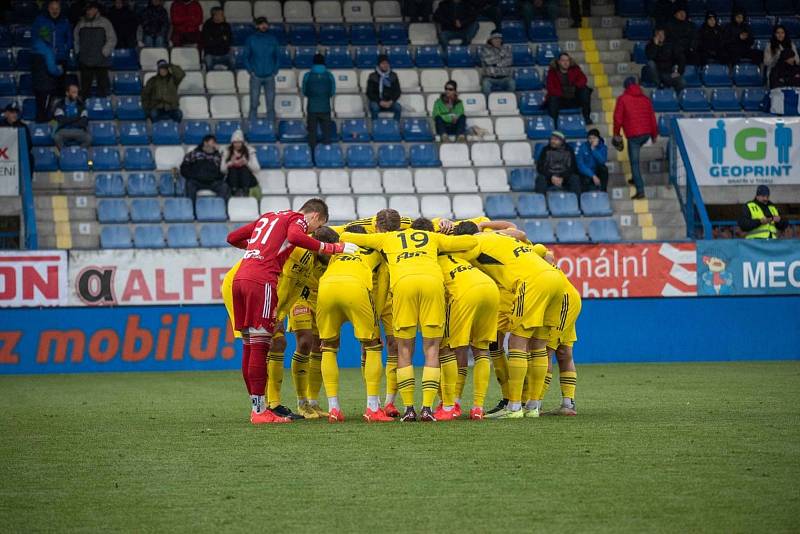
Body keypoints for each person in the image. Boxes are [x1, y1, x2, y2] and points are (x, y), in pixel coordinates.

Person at [225, 198, 357, 424]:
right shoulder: (297, 220)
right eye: (317, 226)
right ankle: (260, 412)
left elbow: (232, 237)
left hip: (240, 278)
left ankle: (259, 408)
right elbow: (297, 237)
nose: (313, 233)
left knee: (250, 346)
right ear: (315, 216)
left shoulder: (268, 217)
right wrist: (333, 247)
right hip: (262, 280)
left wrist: (258, 249)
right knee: (260, 346)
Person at [339, 216, 479, 422]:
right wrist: (448, 231)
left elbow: (345, 235)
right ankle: (427, 409)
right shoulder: (432, 237)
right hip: (432, 284)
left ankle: (408, 409)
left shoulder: (387, 238)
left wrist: (372, 229)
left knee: (404, 349)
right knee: (432, 348)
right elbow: (471, 241)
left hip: (403, 285)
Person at [453, 224, 567, 419]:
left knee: (517, 342)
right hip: (557, 279)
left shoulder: (475, 243)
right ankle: (533, 406)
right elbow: (521, 232)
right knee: (539, 345)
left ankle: (514, 406)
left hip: (531, 282)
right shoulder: (501, 237)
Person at [316, 225, 394, 423]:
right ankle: (373, 408)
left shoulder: (338, 248)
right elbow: (383, 282)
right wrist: (375, 312)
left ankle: (334, 408)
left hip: (326, 288)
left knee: (328, 347)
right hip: (355, 289)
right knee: (373, 346)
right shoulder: (376, 249)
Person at [436, 235, 499, 420]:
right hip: (490, 289)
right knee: (481, 350)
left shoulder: (431, 261)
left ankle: (450, 405)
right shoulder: (461, 255)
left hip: (465, 294)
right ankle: (478, 407)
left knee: (447, 348)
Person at [532, 245, 580, 416]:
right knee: (564, 352)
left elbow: (548, 256)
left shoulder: (533, 260)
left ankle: (535, 403)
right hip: (567, 299)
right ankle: (568, 403)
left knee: (545, 351)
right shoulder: (541, 258)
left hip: (563, 302)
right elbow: (549, 255)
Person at [613, 77, 658, 200]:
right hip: (646, 133)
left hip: (634, 135)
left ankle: (640, 190)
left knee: (634, 163)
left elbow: (618, 119)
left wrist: (616, 134)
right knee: (634, 162)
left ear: (625, 87)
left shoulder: (623, 99)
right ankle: (634, 177)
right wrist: (654, 135)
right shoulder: (646, 99)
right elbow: (652, 119)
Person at [31, 0, 72, 121]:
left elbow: (69, 39)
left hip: (60, 58)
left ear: (60, 9)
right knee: (45, 90)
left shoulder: (65, 21)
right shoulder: (40, 20)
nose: (55, 10)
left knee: (59, 89)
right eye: (52, 8)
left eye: (57, 8)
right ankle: (46, 116)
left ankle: (57, 115)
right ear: (48, 8)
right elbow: (35, 37)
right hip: (45, 59)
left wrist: (64, 49)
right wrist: (47, 51)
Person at [73, 1, 116, 99]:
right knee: (84, 91)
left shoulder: (105, 22)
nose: (88, 12)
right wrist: (78, 52)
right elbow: (75, 39)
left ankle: (103, 112)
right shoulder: (81, 23)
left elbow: (112, 39)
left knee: (103, 90)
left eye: (91, 9)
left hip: (101, 62)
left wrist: (104, 53)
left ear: (96, 10)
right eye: (87, 10)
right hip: (85, 61)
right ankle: (84, 111)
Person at [244, 17, 280, 122]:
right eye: (261, 24)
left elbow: (277, 56)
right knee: (254, 103)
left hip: (270, 76)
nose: (264, 26)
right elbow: (245, 57)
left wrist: (275, 71)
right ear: (257, 26)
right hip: (256, 76)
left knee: (270, 104)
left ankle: (271, 128)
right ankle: (252, 126)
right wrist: (251, 71)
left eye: (265, 24)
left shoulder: (273, 39)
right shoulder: (251, 39)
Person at [302, 53, 336, 156]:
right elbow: (332, 92)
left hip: (312, 108)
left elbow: (304, 91)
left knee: (312, 133)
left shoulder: (307, 75)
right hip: (325, 107)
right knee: (326, 133)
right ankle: (326, 156)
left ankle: (312, 156)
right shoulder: (329, 75)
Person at [180, 135, 230, 203]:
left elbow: (223, 170)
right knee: (189, 184)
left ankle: (218, 208)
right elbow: (183, 168)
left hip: (212, 182)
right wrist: (193, 176)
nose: (214, 145)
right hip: (197, 181)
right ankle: (192, 210)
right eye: (212, 143)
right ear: (205, 143)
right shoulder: (194, 154)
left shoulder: (218, 156)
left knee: (224, 187)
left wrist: (216, 177)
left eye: (215, 143)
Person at [545, 52, 592, 125]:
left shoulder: (575, 69)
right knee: (553, 98)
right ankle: (553, 124)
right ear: (558, 62)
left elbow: (583, 79)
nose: (565, 63)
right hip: (560, 99)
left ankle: (586, 118)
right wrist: (561, 93)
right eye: (563, 60)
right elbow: (550, 87)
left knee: (585, 90)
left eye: (567, 60)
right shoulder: (552, 72)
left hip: (574, 98)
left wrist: (575, 87)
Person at [534, 130, 581, 197]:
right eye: (552, 139)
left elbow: (573, 168)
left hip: (564, 178)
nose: (552, 141)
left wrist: (562, 177)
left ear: (562, 141)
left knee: (575, 178)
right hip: (549, 177)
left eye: (556, 140)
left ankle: (577, 202)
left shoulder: (569, 150)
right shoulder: (545, 150)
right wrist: (551, 176)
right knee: (540, 179)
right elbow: (540, 167)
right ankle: (540, 203)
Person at [645, 28, 686, 93]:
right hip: (656, 73)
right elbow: (650, 57)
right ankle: (659, 84)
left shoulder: (671, 45)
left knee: (682, 82)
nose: (660, 36)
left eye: (662, 34)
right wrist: (655, 45)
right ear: (655, 36)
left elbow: (680, 58)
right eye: (658, 34)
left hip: (668, 73)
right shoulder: (650, 45)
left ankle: (676, 99)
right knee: (650, 63)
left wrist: (679, 72)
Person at [221, 130, 259, 197]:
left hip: (247, 179)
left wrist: (246, 162)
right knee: (233, 169)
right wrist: (230, 163)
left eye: (239, 142)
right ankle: (234, 191)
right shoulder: (227, 151)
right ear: (232, 143)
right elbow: (222, 170)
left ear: (242, 143)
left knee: (244, 168)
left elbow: (257, 169)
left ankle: (245, 191)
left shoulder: (249, 151)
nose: (237, 145)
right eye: (235, 142)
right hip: (232, 179)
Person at [52, 83, 90, 149]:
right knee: (57, 137)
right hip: (64, 130)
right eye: (73, 92)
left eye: (77, 92)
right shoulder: (60, 104)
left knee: (88, 138)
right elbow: (61, 120)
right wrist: (77, 118)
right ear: (67, 93)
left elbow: (84, 121)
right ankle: (65, 154)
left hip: (78, 130)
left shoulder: (81, 105)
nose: (76, 95)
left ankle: (79, 154)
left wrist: (69, 120)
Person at [366, 55, 402, 121]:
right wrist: (380, 102)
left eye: (386, 63)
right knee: (374, 107)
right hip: (377, 102)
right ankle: (375, 127)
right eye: (383, 63)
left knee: (398, 107)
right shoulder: (372, 76)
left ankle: (395, 126)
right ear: (379, 65)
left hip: (389, 102)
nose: (385, 65)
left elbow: (398, 91)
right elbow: (369, 93)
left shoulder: (393, 76)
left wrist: (391, 101)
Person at [0, 102, 34, 169]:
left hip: (17, 153)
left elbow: (29, 144)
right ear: (6, 114)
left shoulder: (23, 126)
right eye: (12, 112)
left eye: (16, 112)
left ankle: (26, 179)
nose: (15, 115)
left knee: (30, 157)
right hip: (3, 153)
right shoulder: (0, 125)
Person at [202, 7, 234, 71]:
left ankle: (232, 77)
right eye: (221, 14)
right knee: (208, 62)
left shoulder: (226, 25)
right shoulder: (207, 26)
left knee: (233, 60)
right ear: (215, 16)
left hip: (225, 53)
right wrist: (222, 38)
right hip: (211, 53)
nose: (223, 16)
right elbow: (208, 43)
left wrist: (215, 39)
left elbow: (229, 41)